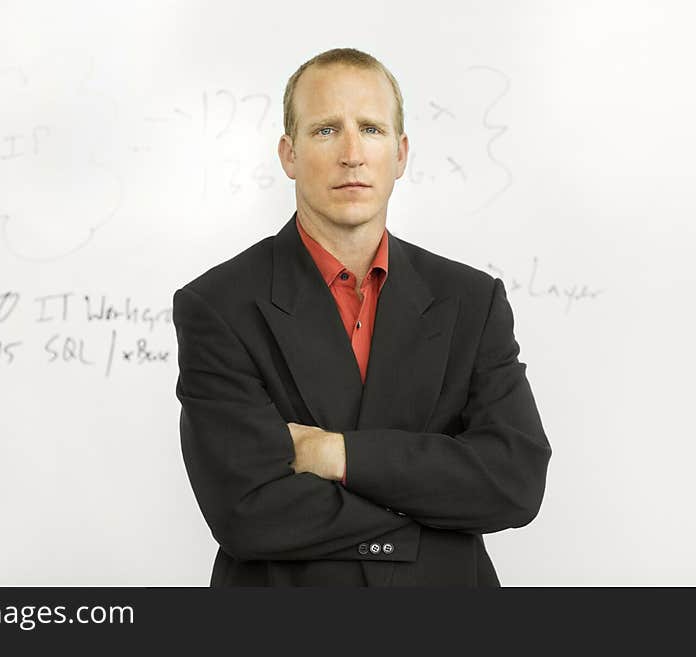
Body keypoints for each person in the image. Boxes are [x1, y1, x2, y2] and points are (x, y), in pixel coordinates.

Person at [172, 47, 551, 586]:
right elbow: (248, 512)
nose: (352, 153)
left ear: (400, 154)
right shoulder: (216, 305)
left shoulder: (471, 299)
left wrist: (335, 454)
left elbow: (515, 480)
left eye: (371, 129)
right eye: (326, 130)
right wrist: (435, 502)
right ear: (289, 154)